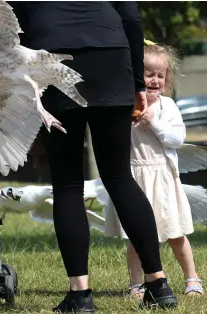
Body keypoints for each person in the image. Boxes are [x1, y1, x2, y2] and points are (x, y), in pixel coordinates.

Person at [11, 2, 177, 312]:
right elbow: (129, 16)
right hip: (110, 57)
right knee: (119, 177)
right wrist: (138, 83)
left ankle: (80, 295)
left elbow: (14, 25)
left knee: (68, 184)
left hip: (51, 55)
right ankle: (159, 285)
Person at [104, 41, 204, 300]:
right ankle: (136, 284)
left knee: (175, 234)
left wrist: (153, 122)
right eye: (149, 74)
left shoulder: (167, 106)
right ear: (136, 76)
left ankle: (192, 278)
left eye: (161, 75)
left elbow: (177, 139)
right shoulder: (125, 105)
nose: (155, 80)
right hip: (135, 178)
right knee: (136, 238)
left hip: (162, 178)